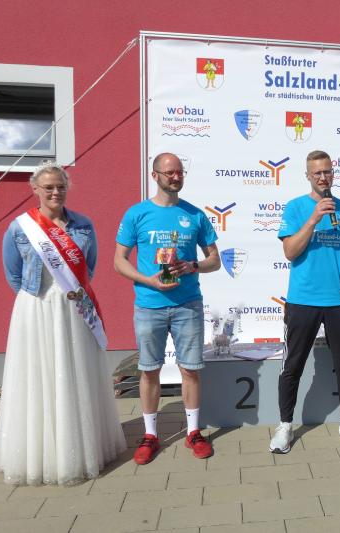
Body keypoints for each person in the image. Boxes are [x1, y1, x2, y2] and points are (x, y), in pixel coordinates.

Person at [0, 163, 126, 485]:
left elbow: (88, 268)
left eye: (60, 187)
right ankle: (41, 453)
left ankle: (80, 447)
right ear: (35, 189)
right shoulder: (20, 227)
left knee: (76, 372)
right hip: (36, 307)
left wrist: (68, 291)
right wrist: (39, 300)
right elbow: (13, 274)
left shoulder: (84, 225)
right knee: (38, 374)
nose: (55, 192)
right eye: (48, 187)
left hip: (74, 308)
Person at [115, 153, 221, 465]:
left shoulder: (195, 215)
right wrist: (147, 280)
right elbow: (119, 261)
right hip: (149, 306)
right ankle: (150, 435)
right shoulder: (137, 214)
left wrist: (192, 266)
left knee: (190, 370)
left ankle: (193, 432)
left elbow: (215, 260)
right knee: (149, 371)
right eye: (169, 172)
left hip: (188, 304)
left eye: (179, 172)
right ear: (155, 175)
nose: (176, 177)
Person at [269, 150, 340, 453]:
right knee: (293, 365)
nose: (323, 177)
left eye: (327, 171)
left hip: (339, 301)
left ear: (333, 174)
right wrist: (314, 218)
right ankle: (285, 425)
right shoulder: (296, 208)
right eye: (317, 173)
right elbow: (290, 252)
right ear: (308, 176)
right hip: (303, 300)